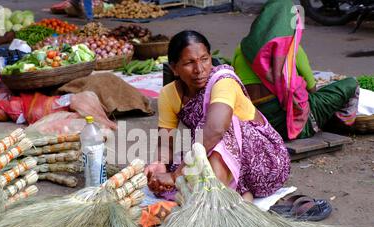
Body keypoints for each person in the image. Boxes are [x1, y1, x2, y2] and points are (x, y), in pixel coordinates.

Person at [145, 30, 291, 203]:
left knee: (220, 124)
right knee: (183, 161)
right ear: (174, 69)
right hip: (217, 153)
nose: (199, 69)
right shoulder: (169, 94)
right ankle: (236, 193)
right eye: (189, 63)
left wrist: (177, 175)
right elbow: (166, 142)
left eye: (204, 59)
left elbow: (215, 130)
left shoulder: (223, 81)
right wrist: (160, 163)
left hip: (264, 162)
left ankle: (217, 199)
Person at [232, 0, 359, 141]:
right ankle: (340, 126)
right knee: (352, 84)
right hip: (290, 126)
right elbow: (312, 89)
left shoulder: (241, 48)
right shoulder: (293, 50)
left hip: (257, 123)